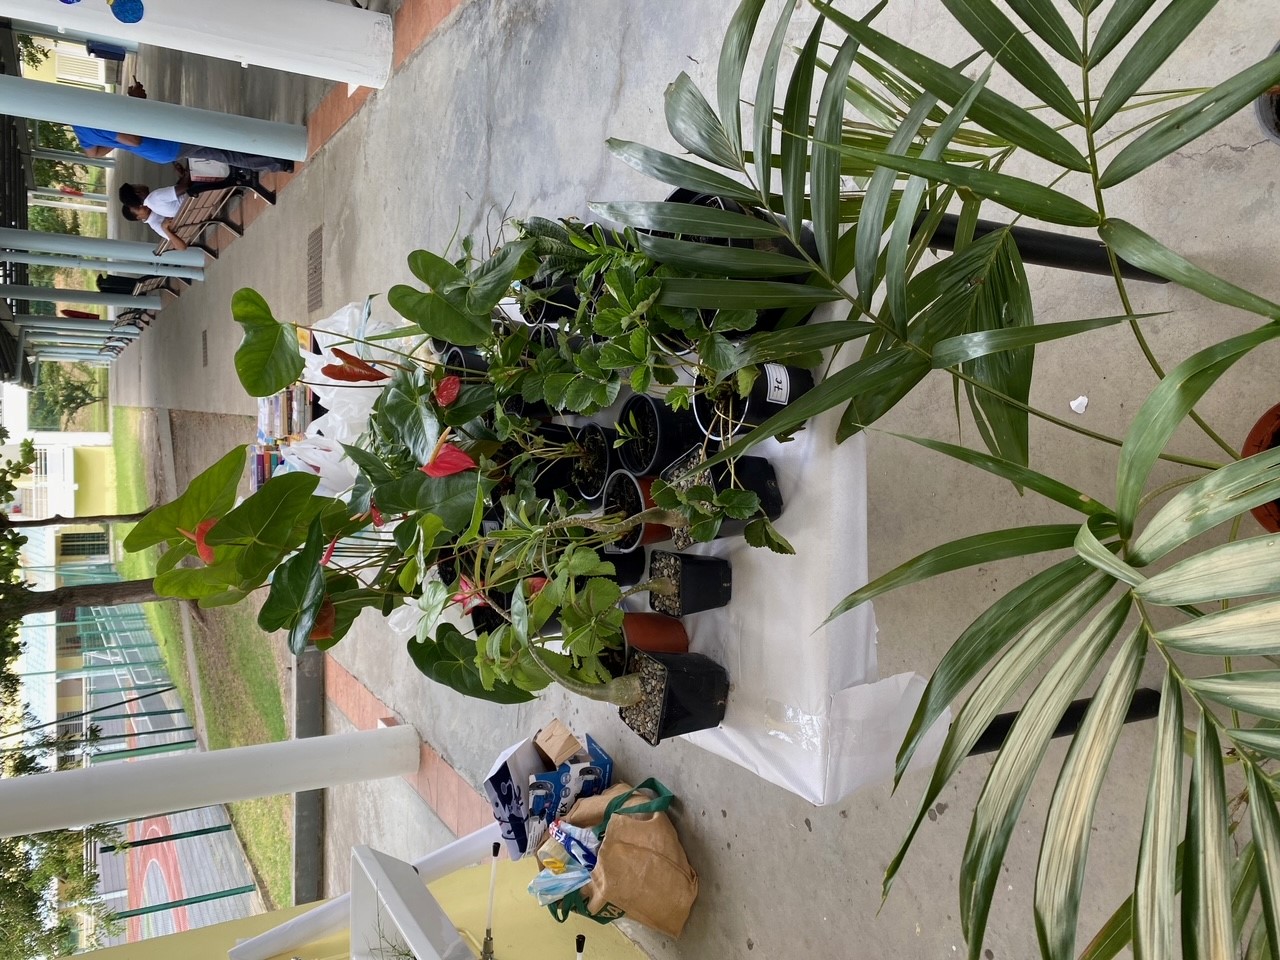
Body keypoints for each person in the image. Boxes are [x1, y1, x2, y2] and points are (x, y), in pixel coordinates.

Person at [73, 125, 295, 172]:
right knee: (225, 136)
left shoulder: (80, 130)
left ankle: (279, 162)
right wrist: (135, 101)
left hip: (162, 150)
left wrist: (113, 141)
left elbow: (93, 154)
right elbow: (133, 139)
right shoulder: (91, 118)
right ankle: (282, 148)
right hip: (168, 141)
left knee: (224, 153)